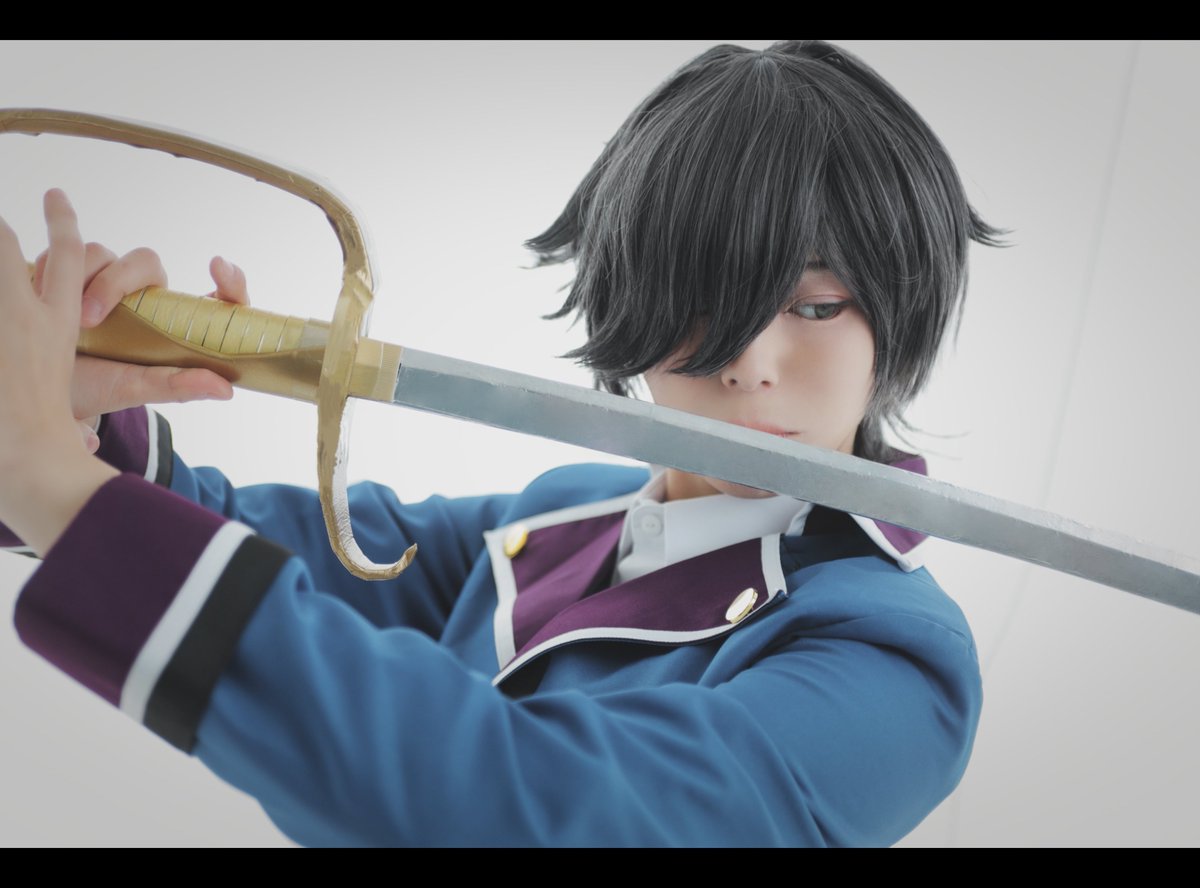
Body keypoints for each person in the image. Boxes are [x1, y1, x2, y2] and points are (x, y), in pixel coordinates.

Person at [0, 40, 994, 846]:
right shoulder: (562, 516)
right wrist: (72, 413)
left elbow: (538, 811)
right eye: (700, 301)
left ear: (899, 316)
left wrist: (51, 480)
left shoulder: (891, 657)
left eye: (817, 306)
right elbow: (261, 546)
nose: (749, 362)